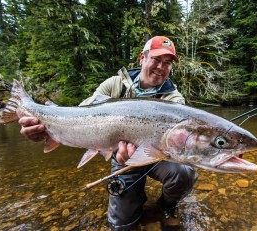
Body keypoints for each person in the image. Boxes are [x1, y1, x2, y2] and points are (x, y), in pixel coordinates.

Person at [19, 36, 198, 230]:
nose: (161, 67)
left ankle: (165, 206)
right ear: (142, 58)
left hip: (160, 158)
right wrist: (47, 131)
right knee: (120, 225)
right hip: (121, 158)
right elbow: (80, 117)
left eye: (167, 63)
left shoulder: (174, 99)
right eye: (156, 60)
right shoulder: (114, 84)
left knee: (185, 172)